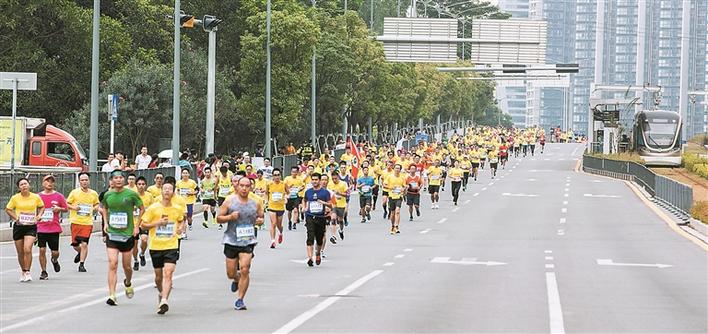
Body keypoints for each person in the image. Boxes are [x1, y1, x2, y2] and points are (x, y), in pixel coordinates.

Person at [217, 176, 264, 310]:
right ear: (237, 186)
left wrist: (260, 221)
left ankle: (240, 299)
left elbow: (261, 217)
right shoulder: (229, 201)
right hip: (231, 240)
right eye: (241, 185)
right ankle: (236, 279)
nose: (244, 188)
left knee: (245, 268)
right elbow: (219, 218)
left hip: (247, 240)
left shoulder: (255, 203)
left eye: (247, 186)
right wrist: (230, 217)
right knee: (231, 273)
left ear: (251, 187)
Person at [140, 179, 185, 314]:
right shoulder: (154, 208)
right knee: (158, 277)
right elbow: (143, 225)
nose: (167, 191)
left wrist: (180, 229)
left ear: (173, 192)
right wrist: (157, 223)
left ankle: (164, 300)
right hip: (156, 246)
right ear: (161, 191)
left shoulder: (177, 209)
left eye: (169, 189)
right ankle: (161, 293)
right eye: (165, 189)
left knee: (168, 273)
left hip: (171, 245)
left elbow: (181, 221)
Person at [101, 170, 144, 306]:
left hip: (127, 235)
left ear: (124, 180)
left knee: (127, 266)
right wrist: (106, 223)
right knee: (113, 263)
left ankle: (128, 282)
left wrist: (137, 226)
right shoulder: (108, 195)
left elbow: (142, 208)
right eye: (116, 178)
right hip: (112, 234)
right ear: (112, 181)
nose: (118, 180)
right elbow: (104, 209)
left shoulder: (131, 194)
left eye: (121, 178)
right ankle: (112, 295)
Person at [5, 178, 44, 282]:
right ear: (19, 187)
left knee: (27, 249)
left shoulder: (35, 197)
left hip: (31, 226)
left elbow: (42, 207)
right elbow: (8, 209)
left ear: (29, 185)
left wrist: (39, 215)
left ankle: (27, 271)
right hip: (19, 226)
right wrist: (16, 218)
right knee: (20, 252)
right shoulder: (15, 198)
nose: (24, 186)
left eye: (25, 184)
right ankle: (23, 270)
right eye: (21, 184)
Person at [67, 172, 100, 272]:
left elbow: (97, 204)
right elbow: (67, 203)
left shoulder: (93, 193)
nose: (84, 182)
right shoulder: (74, 192)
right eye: (82, 180)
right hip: (75, 221)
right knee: (75, 244)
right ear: (79, 181)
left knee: (84, 244)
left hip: (87, 222)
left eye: (86, 180)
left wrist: (94, 209)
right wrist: (74, 207)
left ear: (89, 181)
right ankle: (80, 252)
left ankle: (82, 264)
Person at [37, 175, 68, 280]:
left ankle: (54, 260)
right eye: (47, 181)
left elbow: (66, 209)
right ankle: (43, 271)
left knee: (55, 252)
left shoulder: (58, 196)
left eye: (51, 182)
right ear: (43, 183)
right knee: (42, 250)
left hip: (53, 227)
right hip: (41, 227)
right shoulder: (38, 196)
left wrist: (59, 208)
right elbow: (32, 208)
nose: (49, 183)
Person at [303, 173, 332, 267]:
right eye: (313, 179)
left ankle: (318, 253)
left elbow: (330, 205)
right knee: (310, 237)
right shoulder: (308, 192)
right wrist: (304, 207)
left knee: (319, 239)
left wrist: (323, 203)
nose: (314, 181)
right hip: (310, 216)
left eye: (316, 180)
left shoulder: (325, 192)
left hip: (321, 217)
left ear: (319, 181)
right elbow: (304, 200)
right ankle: (310, 258)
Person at [132, 176, 154, 271]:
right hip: (134, 223)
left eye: (143, 184)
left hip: (145, 223)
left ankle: (142, 253)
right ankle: (136, 260)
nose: (141, 186)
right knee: (134, 244)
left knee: (144, 240)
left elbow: (153, 208)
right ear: (136, 185)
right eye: (139, 184)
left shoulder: (149, 196)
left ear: (146, 185)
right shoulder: (133, 196)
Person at [266, 168, 286, 249]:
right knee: (273, 223)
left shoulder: (283, 184)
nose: (277, 177)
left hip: (280, 207)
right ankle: (273, 241)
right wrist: (266, 201)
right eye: (275, 175)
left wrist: (287, 197)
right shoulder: (269, 184)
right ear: (273, 176)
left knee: (279, 225)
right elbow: (266, 193)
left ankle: (280, 233)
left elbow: (288, 193)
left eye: (278, 175)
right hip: (272, 206)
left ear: (280, 176)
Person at [385, 164, 406, 234]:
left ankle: (396, 226)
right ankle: (392, 225)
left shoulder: (402, 177)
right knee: (392, 213)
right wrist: (391, 188)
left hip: (399, 196)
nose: (397, 170)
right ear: (394, 169)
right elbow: (384, 185)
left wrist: (404, 189)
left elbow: (404, 186)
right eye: (396, 168)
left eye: (398, 168)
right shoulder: (389, 177)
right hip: (391, 196)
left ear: (400, 170)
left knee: (397, 211)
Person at [328, 171, 348, 243]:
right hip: (333, 205)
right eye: (333, 179)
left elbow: (347, 194)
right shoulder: (329, 184)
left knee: (340, 220)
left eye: (335, 178)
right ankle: (333, 236)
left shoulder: (343, 184)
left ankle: (341, 230)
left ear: (338, 177)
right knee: (333, 219)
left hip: (341, 205)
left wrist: (340, 193)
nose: (334, 180)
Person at [284, 166, 304, 230]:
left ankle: (294, 223)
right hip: (289, 196)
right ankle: (289, 221)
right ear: (291, 172)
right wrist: (289, 187)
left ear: (297, 172)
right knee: (289, 211)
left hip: (296, 196)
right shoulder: (287, 178)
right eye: (293, 172)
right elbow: (284, 186)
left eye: (295, 172)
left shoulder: (299, 179)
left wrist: (299, 189)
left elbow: (303, 186)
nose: (294, 173)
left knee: (296, 210)